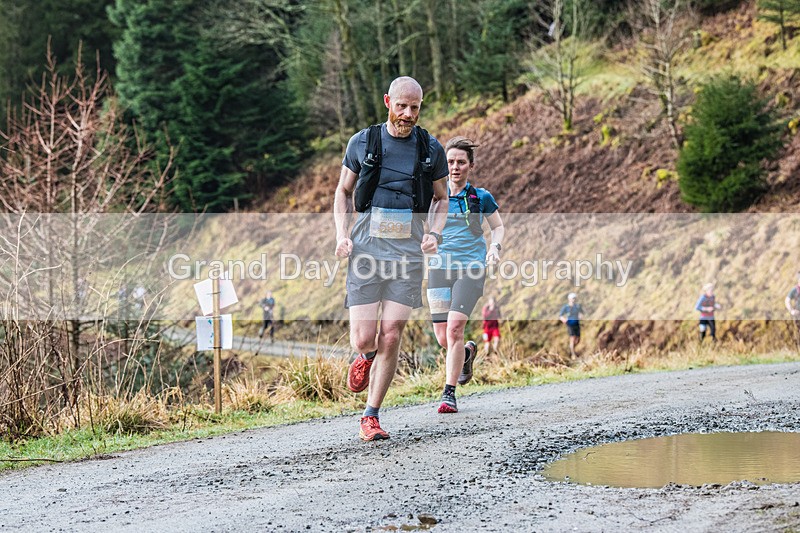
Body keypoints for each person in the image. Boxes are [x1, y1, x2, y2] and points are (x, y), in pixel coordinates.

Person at [334, 76, 448, 442]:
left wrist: (434, 233)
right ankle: (365, 357)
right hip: (366, 250)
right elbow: (343, 191)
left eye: (415, 107)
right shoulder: (363, 142)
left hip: (408, 254)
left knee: (392, 332)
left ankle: (371, 414)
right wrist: (341, 234)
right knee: (365, 337)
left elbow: (441, 198)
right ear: (388, 102)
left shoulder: (430, 148)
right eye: (402, 106)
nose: (408, 114)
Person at [427, 136, 504, 413]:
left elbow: (497, 227)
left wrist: (494, 248)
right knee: (442, 338)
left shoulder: (480, 197)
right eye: (450, 162)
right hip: (438, 269)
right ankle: (467, 354)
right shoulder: (434, 196)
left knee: (454, 328)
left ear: (470, 165)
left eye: (461, 162)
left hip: (470, 268)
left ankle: (449, 393)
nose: (455, 167)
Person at [559, 292, 584, 357]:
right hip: (570, 324)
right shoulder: (566, 307)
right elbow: (560, 316)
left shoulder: (578, 306)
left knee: (578, 339)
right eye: (573, 298)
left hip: (577, 323)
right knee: (572, 338)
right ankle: (573, 354)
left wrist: (581, 316)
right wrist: (564, 320)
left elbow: (581, 313)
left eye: (575, 298)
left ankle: (571, 348)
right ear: (569, 299)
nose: (574, 300)